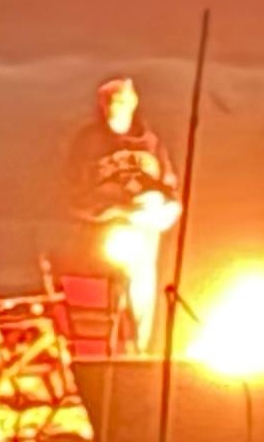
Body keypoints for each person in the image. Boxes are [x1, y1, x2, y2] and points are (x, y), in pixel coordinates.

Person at [63, 74, 179, 341]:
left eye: (124, 99)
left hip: (146, 229)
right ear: (103, 104)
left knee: (142, 290)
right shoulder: (87, 144)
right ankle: (109, 348)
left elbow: (169, 185)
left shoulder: (151, 143)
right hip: (103, 231)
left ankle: (138, 348)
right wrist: (115, 210)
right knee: (110, 295)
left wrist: (168, 208)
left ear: (134, 101)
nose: (119, 105)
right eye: (113, 100)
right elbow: (73, 194)